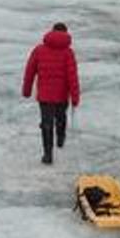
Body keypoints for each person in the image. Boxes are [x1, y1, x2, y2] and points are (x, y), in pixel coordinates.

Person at [22, 21, 80, 164]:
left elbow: (30, 71)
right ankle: (60, 139)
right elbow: (72, 76)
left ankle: (48, 154)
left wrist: (27, 90)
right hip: (61, 96)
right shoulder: (68, 53)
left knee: (46, 123)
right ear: (66, 34)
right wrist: (75, 97)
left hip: (45, 95)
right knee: (61, 117)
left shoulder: (39, 50)